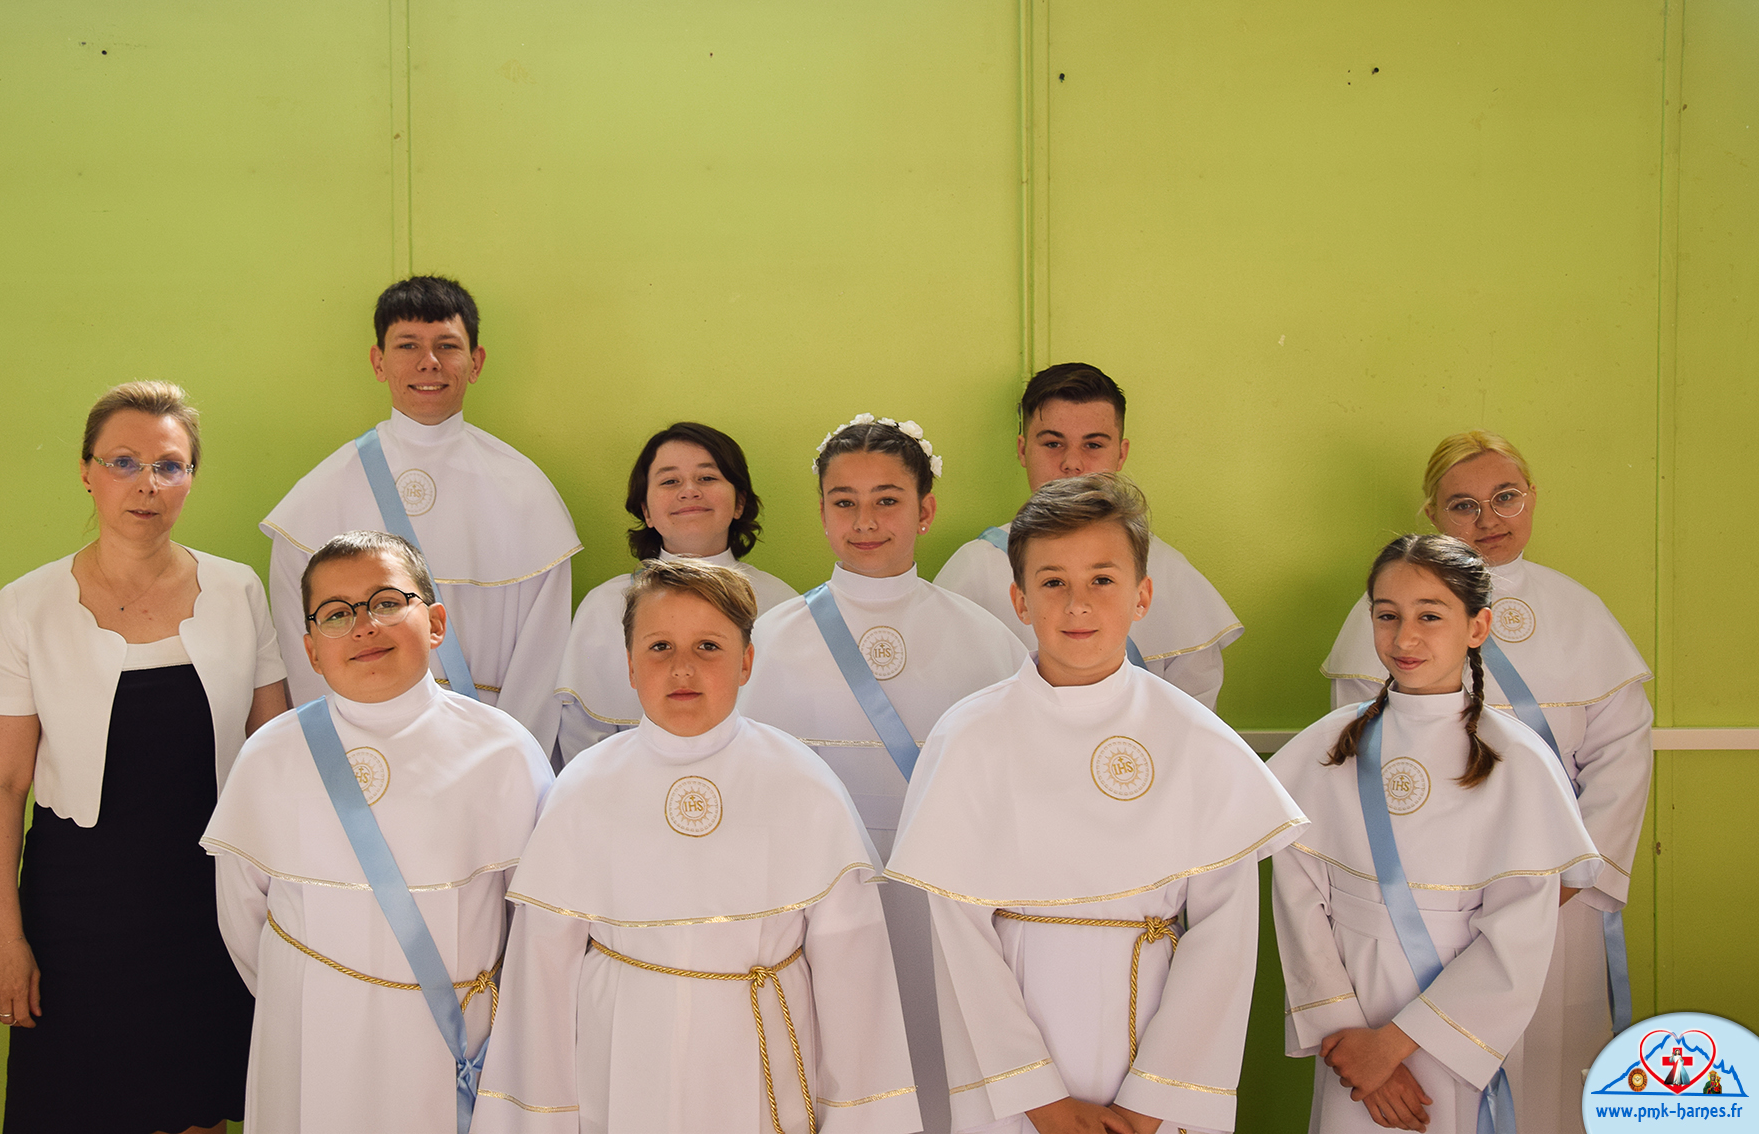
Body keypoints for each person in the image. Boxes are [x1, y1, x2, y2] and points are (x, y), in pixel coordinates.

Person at [888, 473, 1305, 1134]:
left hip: (1154, 1037)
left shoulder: (1194, 738)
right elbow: (959, 938)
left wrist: (1155, 1100)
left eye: (1102, 580)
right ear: (1019, 601)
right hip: (1019, 1062)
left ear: (1142, 596)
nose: (1077, 603)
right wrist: (1039, 1099)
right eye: (1053, 581)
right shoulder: (969, 736)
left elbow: (1224, 937)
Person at [478, 558, 921, 1133]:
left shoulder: (803, 784)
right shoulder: (584, 788)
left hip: (763, 1062)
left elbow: (856, 978)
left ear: (747, 662)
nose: (682, 668)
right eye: (659, 647)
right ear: (629, 665)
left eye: (708, 647)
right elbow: (539, 980)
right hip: (624, 1064)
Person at [0, 381, 289, 1134]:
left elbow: (276, 756)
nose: (147, 483)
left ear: (190, 478)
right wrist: (4, 939)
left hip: (212, 897)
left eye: (169, 465)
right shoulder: (25, 606)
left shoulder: (238, 590)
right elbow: (1, 784)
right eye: (124, 462)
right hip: (79, 907)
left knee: (199, 1109)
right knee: (78, 1107)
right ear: (87, 471)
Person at [1319, 432, 1651, 1132]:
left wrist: (1564, 878)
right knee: (1424, 1075)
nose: (1489, 519)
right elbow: (1364, 777)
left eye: (1506, 497)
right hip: (1420, 899)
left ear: (1532, 499)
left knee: (1548, 1078)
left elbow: (1622, 756)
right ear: (1432, 514)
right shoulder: (1382, 618)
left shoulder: (1580, 610)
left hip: (1557, 895)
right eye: (1464, 504)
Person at [202, 530, 551, 1134]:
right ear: (311, 651)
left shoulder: (503, 751)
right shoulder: (271, 755)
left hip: (453, 1039)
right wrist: (310, 995)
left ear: (435, 623)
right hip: (307, 1035)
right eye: (336, 614)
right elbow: (242, 918)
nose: (363, 626)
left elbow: (533, 923)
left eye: (387, 603)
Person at [740, 413, 1029, 1134]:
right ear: (822, 512)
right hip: (814, 905)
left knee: (944, 1073)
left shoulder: (988, 641)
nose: (865, 521)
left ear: (925, 510)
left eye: (887, 500)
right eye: (844, 501)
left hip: (947, 908)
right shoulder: (768, 641)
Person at [1272, 534, 1600, 1134]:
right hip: (1351, 1027)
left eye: (1429, 616)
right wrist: (1352, 1042)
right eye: (1387, 616)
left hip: (1459, 1033)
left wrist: (1392, 1046)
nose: (1404, 639)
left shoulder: (1518, 761)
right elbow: (1298, 899)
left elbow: (1519, 936)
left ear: (1478, 626)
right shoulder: (1326, 747)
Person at [261, 275, 579, 755]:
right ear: (378, 361)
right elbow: (303, 644)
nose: (428, 361)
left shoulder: (524, 492)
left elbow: (543, 658)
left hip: (488, 748)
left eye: (447, 345)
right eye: (407, 345)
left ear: (475, 362)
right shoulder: (324, 492)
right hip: (360, 745)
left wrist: (510, 758)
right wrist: (343, 756)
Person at [935, 365, 1241, 710]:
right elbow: (945, 697)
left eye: (1093, 444)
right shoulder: (974, 569)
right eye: (1053, 443)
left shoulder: (1172, 574)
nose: (1072, 463)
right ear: (1022, 450)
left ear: (1121, 453)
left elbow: (1193, 716)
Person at [553, 422, 798, 765]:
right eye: (670, 481)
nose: (689, 491)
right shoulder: (605, 606)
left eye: (707, 478)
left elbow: (798, 727)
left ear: (739, 502)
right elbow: (582, 736)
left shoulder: (783, 606)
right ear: (646, 511)